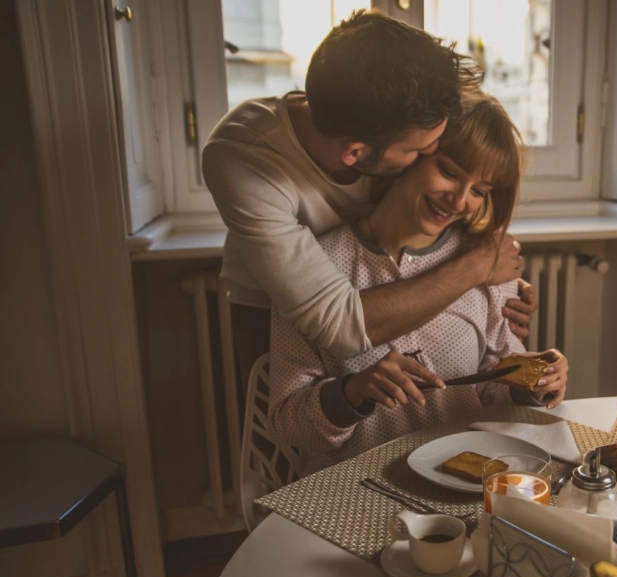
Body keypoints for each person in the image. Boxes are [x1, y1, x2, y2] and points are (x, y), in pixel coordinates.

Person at [201, 10, 538, 387]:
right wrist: (474, 269)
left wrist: (490, 292)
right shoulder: (242, 158)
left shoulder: (397, 103)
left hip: (383, 278)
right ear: (355, 154)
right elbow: (341, 327)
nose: (430, 149)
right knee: (286, 433)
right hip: (276, 306)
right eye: (420, 151)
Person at [268, 92, 568, 474]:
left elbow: (495, 389)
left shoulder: (493, 268)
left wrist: (535, 379)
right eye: (449, 171)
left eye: (479, 190)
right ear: (410, 155)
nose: (460, 200)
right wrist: (352, 392)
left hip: (461, 487)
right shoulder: (313, 267)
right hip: (353, 488)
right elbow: (288, 423)